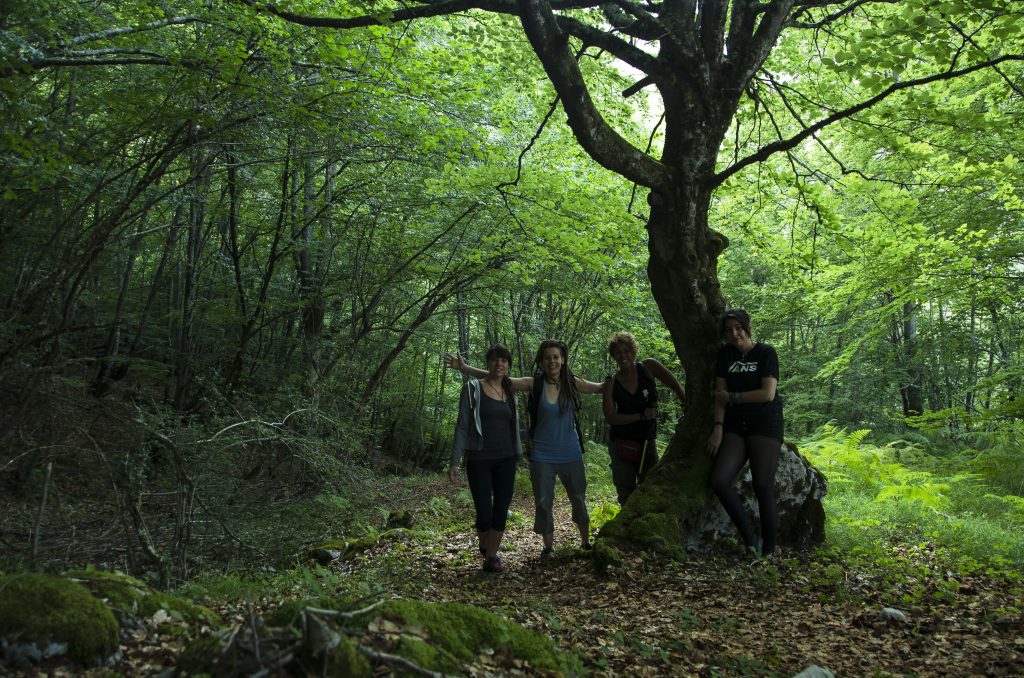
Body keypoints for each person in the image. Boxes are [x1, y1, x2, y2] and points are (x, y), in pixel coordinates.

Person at [447, 339, 605, 560]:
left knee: (578, 497)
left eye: (556, 357)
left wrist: (628, 373)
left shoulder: (572, 383)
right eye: (548, 357)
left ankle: (585, 542)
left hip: (571, 452)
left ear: (563, 359)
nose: (552, 361)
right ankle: (548, 548)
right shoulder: (534, 384)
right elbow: (497, 375)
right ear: (541, 361)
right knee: (543, 502)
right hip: (542, 453)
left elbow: (600, 388)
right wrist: (465, 368)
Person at [705, 309, 783, 557]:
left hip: (765, 424)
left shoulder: (766, 353)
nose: (734, 334)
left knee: (762, 485)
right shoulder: (725, 355)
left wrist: (734, 397)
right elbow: (719, 396)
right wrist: (718, 428)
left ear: (747, 327)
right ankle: (751, 541)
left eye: (738, 328)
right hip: (735, 426)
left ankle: (768, 552)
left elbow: (767, 394)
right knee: (719, 480)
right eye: (729, 330)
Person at [448, 344, 523, 574]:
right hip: (479, 458)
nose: (499, 364)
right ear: (488, 363)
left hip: (507, 458)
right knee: (484, 514)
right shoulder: (472, 389)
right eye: (494, 360)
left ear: (508, 365)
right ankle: (484, 542)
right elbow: (462, 426)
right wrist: (454, 461)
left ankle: (491, 557)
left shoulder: (510, 391)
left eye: (503, 360)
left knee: (501, 509)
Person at [603, 331, 686, 505]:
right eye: (618, 352)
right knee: (626, 491)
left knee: (650, 487)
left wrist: (686, 403)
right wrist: (641, 416)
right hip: (622, 443)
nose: (623, 355)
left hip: (647, 441)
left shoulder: (649, 367)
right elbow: (611, 417)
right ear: (613, 356)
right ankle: (626, 529)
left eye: (626, 350)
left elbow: (675, 385)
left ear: (633, 351)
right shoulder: (612, 382)